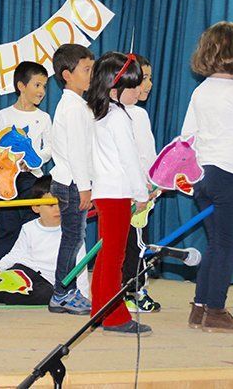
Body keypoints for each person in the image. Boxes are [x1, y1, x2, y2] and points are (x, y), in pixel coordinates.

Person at [180, 21, 233, 333]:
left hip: (203, 175)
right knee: (225, 244)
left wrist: (190, 175)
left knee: (215, 243)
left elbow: (188, 135)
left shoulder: (200, 91)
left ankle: (199, 308)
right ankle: (215, 309)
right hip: (229, 174)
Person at [87, 52, 153, 336]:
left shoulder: (104, 114)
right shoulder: (118, 118)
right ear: (115, 90)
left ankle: (100, 310)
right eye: (134, 85)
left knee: (107, 257)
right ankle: (113, 316)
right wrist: (141, 194)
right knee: (113, 258)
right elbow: (130, 159)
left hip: (106, 192)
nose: (140, 90)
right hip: (116, 194)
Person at [0, 175, 90, 305]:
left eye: (61, 204)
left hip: (48, 283)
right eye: (51, 205)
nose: (57, 209)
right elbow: (16, 254)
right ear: (36, 207)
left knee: (46, 295)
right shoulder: (29, 228)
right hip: (24, 272)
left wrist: (83, 296)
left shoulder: (74, 232)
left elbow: (80, 267)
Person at [48, 44, 94, 315]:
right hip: (73, 183)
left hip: (74, 181)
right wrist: (86, 187)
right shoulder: (73, 108)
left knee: (74, 238)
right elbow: (77, 152)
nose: (91, 74)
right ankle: (61, 293)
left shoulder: (77, 104)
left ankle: (65, 291)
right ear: (67, 75)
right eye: (86, 70)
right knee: (72, 239)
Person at [0, 62, 52, 261]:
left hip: (34, 179)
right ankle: (1, 272)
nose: (42, 91)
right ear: (21, 86)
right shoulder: (4, 115)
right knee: (8, 224)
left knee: (32, 224)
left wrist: (33, 162)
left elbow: (49, 148)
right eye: (37, 85)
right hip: (8, 179)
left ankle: (31, 270)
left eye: (44, 86)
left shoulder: (44, 117)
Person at [122, 54, 161, 313]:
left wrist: (157, 179)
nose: (147, 85)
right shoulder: (119, 114)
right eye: (142, 78)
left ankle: (128, 288)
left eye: (149, 78)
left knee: (136, 242)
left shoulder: (141, 115)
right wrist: (139, 188)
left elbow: (148, 154)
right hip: (130, 192)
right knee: (133, 244)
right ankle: (132, 291)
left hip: (145, 190)